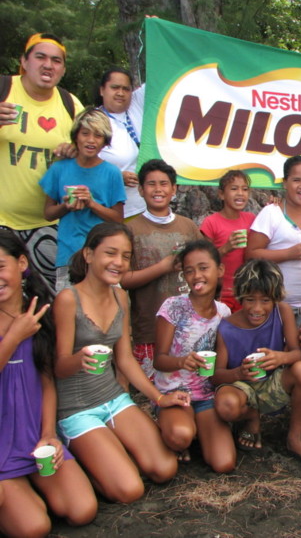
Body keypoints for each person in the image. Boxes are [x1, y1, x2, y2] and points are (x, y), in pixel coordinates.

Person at [54, 223, 185, 504]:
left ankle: (110, 455)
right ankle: (86, 462)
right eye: (110, 253)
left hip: (113, 398)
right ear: (89, 254)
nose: (118, 262)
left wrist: (158, 397)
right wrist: (80, 360)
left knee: (165, 469)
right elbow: (58, 367)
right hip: (76, 408)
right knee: (130, 489)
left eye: (126, 256)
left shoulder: (120, 296)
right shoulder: (68, 299)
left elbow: (124, 358)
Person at [0, 231, 96, 537]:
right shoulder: (24, 325)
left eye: (0, 266)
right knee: (34, 528)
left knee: (82, 510)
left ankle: (26, 489)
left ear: (21, 263)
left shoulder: (40, 311)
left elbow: (47, 381)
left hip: (31, 437)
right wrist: (14, 335)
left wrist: (49, 435)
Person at [212, 259, 301, 472]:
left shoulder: (281, 312)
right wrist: (238, 372)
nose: (257, 308)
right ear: (240, 297)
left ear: (275, 298)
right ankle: (250, 416)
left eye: (265, 300)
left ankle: (295, 437)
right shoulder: (227, 328)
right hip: (241, 386)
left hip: (274, 382)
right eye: (249, 299)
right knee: (225, 404)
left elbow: (296, 353)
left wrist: (279, 358)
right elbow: (216, 376)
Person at [0, 33, 84, 288]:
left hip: (49, 225)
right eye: (41, 57)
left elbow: (92, 152)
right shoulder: (4, 90)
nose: (49, 65)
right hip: (2, 222)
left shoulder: (70, 104)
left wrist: (77, 151)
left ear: (63, 69)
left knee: (51, 300)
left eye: (56, 60)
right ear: (24, 62)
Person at [153, 240, 235, 472]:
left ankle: (198, 428)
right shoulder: (173, 306)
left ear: (219, 270)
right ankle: (176, 428)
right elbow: (159, 360)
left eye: (203, 268)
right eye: (189, 271)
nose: (196, 275)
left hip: (206, 395)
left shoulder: (224, 313)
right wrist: (182, 361)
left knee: (224, 463)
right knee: (180, 436)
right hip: (174, 392)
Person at [120, 159, 203, 378]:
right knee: (152, 393)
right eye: (151, 184)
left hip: (188, 324)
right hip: (150, 326)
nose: (158, 189)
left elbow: (204, 269)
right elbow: (123, 280)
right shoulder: (130, 229)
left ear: (174, 189)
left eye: (164, 184)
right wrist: (162, 267)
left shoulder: (188, 226)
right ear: (140, 189)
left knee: (189, 387)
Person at [39, 108, 125, 292]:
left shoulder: (112, 173)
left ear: (105, 141)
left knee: (108, 312)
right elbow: (47, 214)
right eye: (85, 133)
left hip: (103, 256)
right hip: (68, 255)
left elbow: (118, 218)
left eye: (98, 135)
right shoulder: (59, 169)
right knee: (68, 311)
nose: (91, 140)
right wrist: (66, 206)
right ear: (76, 136)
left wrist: (91, 203)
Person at [247, 156, 301, 321]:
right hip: (274, 306)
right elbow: (251, 255)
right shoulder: (271, 213)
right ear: (285, 183)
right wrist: (288, 254)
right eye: (296, 180)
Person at [200, 170, 256, 311]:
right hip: (221, 295)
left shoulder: (251, 219)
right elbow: (203, 262)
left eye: (244, 189)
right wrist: (226, 248)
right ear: (221, 194)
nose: (240, 193)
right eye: (234, 188)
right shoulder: (211, 223)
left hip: (247, 292)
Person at [96, 67, 146, 219]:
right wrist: (116, 177)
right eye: (114, 88)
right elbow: (82, 167)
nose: (120, 93)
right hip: (113, 210)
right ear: (102, 90)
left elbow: (163, 74)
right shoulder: (93, 123)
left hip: (148, 207)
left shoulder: (136, 104)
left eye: (126, 89)